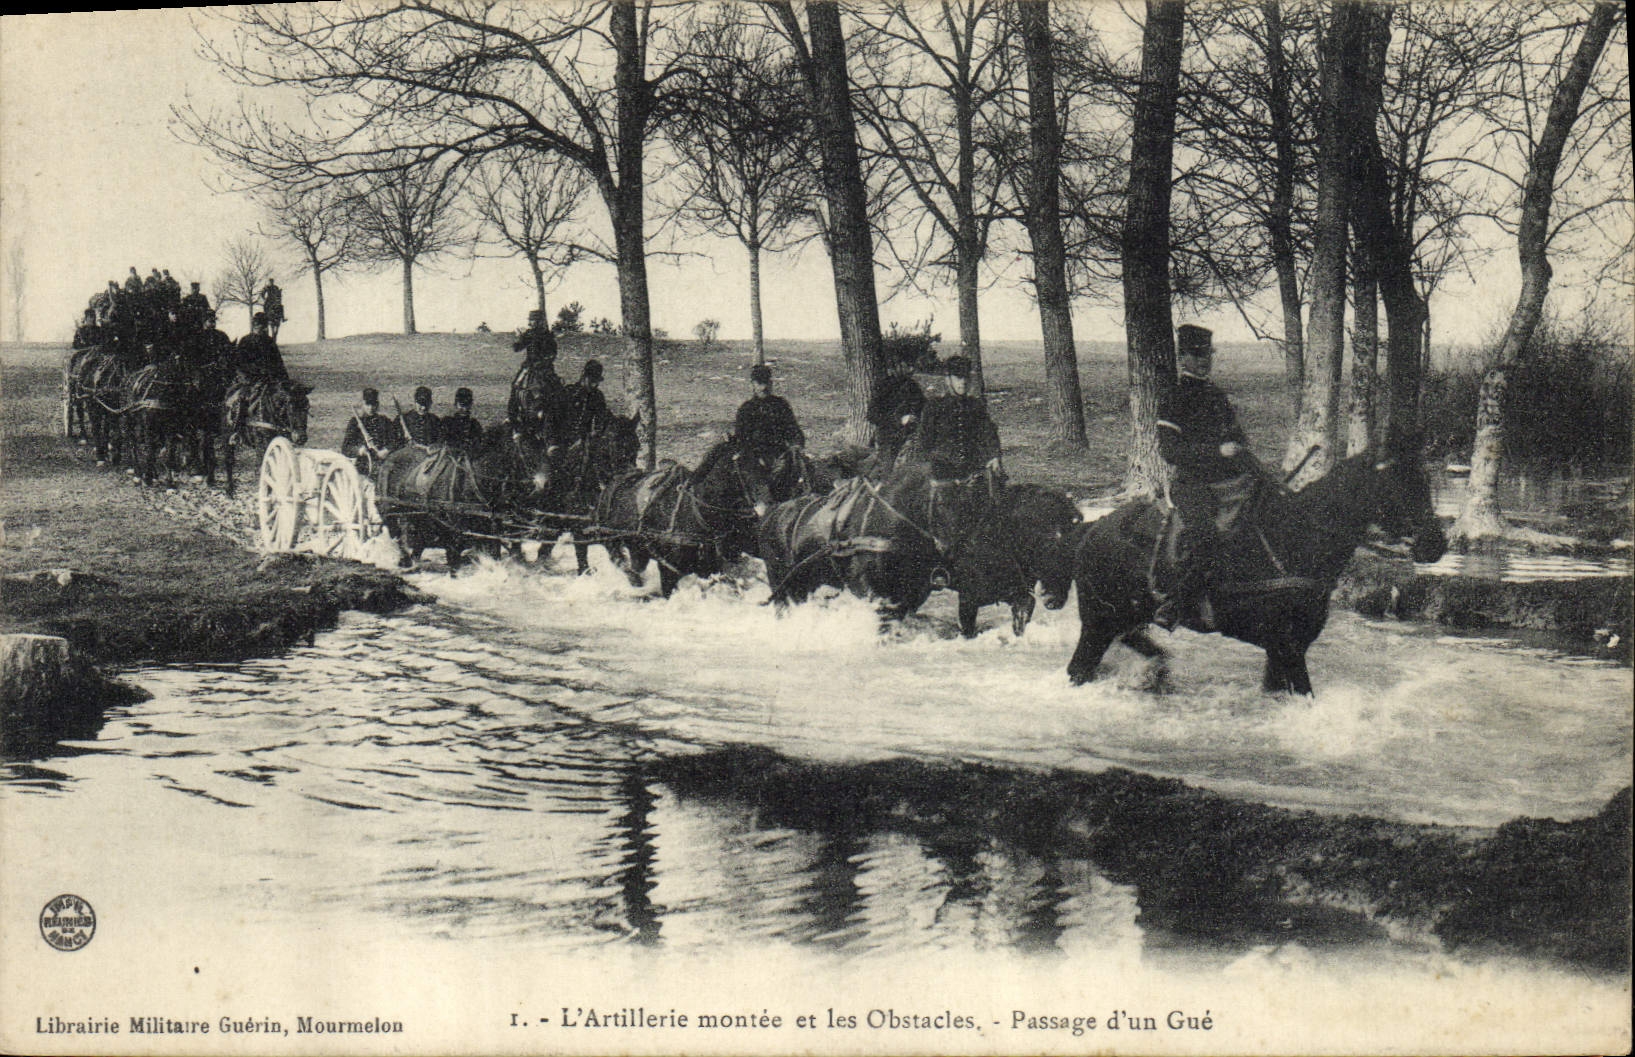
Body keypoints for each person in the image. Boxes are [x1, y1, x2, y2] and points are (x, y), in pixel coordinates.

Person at [1152, 323, 1254, 630]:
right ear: (1182, 358)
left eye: (1207, 354)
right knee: (1205, 536)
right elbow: (1170, 451)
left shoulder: (1217, 395)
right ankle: (1177, 604)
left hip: (1226, 482)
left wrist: (1241, 452)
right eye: (1196, 355)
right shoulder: (1174, 397)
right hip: (1192, 484)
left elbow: (1236, 438)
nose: (1203, 361)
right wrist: (1217, 452)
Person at [910, 355, 1001, 481]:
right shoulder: (934, 406)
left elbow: (989, 433)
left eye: (966, 377)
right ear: (948, 380)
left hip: (973, 468)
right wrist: (927, 469)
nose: (963, 382)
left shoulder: (976, 406)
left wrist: (994, 456)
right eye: (958, 378)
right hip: (942, 468)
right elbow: (924, 442)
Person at [733, 363, 805, 471]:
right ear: (753, 384)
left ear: (771, 383)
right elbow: (741, 439)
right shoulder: (746, 409)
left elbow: (794, 430)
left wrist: (796, 445)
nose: (764, 387)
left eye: (766, 383)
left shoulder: (781, 405)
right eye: (759, 383)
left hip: (780, 456)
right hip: (755, 458)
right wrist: (754, 457)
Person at [867, 347, 926, 468]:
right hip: (889, 438)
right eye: (908, 365)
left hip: (910, 437)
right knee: (888, 472)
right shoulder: (884, 385)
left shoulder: (913, 386)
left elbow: (924, 407)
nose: (912, 369)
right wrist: (899, 420)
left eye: (913, 365)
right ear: (897, 365)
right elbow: (872, 415)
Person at [341, 388, 400, 473]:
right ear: (363, 404)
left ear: (378, 405)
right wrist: (359, 450)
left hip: (384, 462)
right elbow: (346, 448)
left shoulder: (385, 421)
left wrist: (387, 450)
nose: (371, 408)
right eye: (368, 405)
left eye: (374, 405)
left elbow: (395, 441)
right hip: (363, 464)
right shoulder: (355, 422)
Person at [561, 359, 612, 442]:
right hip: (563, 441)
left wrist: (595, 433)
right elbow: (555, 419)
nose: (595, 384)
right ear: (584, 377)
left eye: (597, 381)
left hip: (584, 442)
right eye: (592, 380)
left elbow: (600, 421)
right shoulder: (568, 392)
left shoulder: (597, 396)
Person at [235, 312, 289, 381]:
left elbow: (278, 363)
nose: (265, 329)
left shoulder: (269, 341)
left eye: (266, 326)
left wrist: (285, 379)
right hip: (251, 379)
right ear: (255, 325)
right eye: (262, 326)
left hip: (270, 379)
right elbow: (240, 364)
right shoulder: (246, 341)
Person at [441, 387, 485, 454]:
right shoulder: (447, 422)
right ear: (456, 404)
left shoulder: (474, 425)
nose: (464, 409)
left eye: (466, 405)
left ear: (470, 405)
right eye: (461, 405)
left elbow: (479, 444)